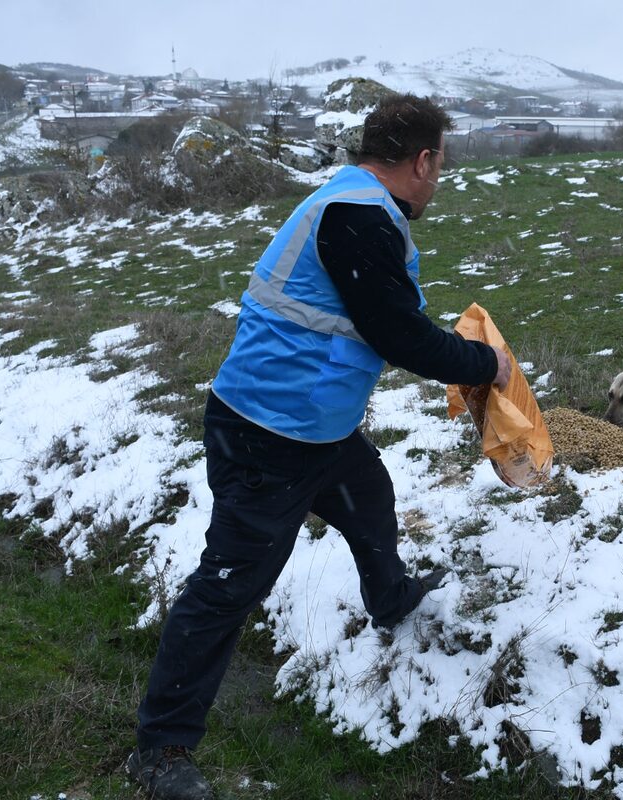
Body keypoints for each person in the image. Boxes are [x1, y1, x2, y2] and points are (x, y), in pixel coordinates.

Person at [126, 94, 511, 800]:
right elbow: (400, 334)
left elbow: (375, 323)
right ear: (422, 160)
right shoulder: (358, 218)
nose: (438, 180)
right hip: (267, 436)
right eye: (440, 166)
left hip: (312, 429)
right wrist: (487, 367)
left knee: (369, 497)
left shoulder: (351, 200)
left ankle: (390, 597)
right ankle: (162, 750)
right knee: (230, 584)